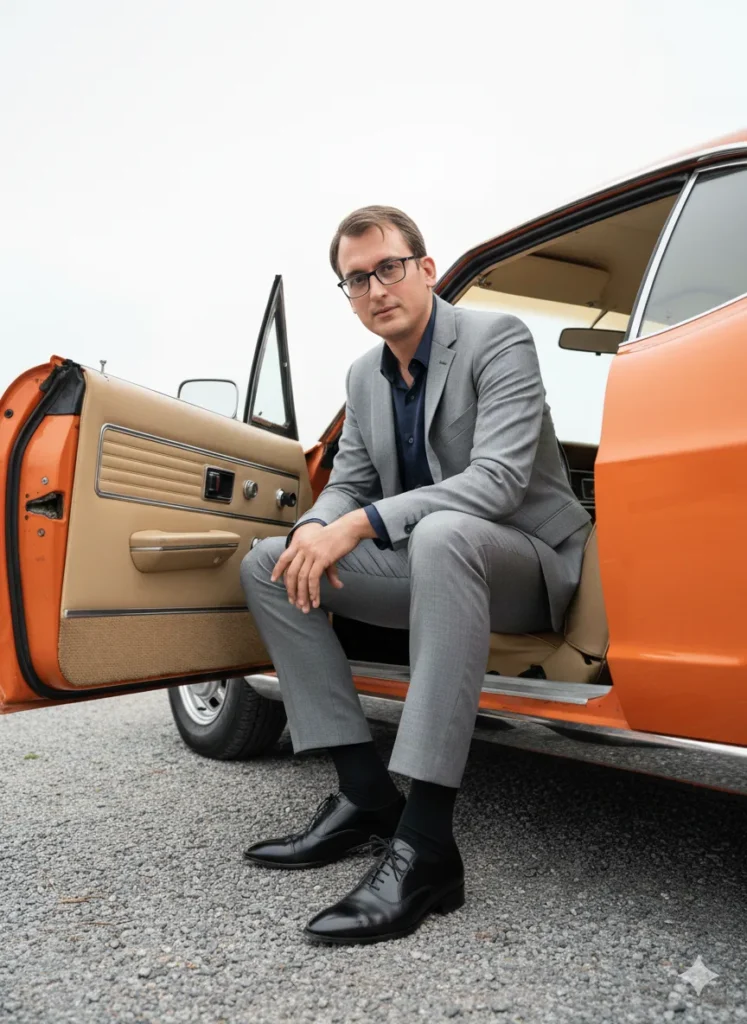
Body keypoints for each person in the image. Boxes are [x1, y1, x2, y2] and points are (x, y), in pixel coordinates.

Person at [240, 206, 591, 945]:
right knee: (271, 563)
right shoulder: (363, 376)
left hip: (526, 560)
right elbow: (350, 480)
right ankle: (366, 796)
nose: (375, 289)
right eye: (355, 279)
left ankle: (427, 845)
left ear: (426, 270)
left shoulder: (497, 340)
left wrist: (362, 524)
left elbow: (495, 482)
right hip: (434, 557)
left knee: (441, 534)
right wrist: (314, 526)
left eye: (388, 268)